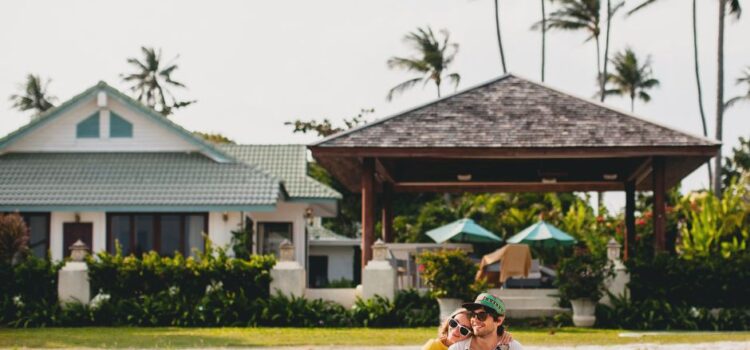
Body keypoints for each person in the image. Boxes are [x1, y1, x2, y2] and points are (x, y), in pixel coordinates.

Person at [448, 293, 523, 350]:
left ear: (499, 320)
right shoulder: (457, 349)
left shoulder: (513, 347)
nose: (475, 320)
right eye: (473, 314)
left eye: (482, 315)